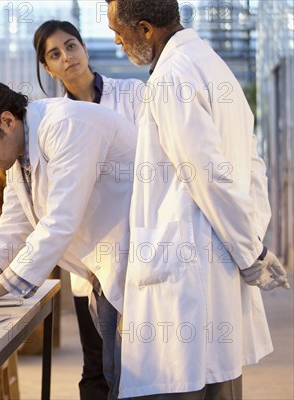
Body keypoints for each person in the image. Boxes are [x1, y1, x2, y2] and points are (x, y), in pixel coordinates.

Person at [104, 0, 290, 398]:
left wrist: (249, 253)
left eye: (119, 32)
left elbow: (206, 174)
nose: (117, 41)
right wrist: (251, 242)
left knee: (187, 383)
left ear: (146, 29)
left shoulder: (172, 76)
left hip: (188, 277)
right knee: (219, 384)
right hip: (214, 264)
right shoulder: (212, 65)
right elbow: (252, 167)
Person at [0, 77, 137, 397]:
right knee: (113, 375)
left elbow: (59, 221)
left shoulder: (66, 125)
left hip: (136, 263)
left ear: (7, 121)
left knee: (126, 381)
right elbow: (12, 226)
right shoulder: (19, 152)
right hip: (106, 267)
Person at [33, 19, 143, 400]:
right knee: (95, 366)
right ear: (47, 68)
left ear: (84, 48)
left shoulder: (132, 95)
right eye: (55, 54)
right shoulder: (51, 121)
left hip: (137, 249)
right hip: (88, 262)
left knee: (141, 366)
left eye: (71, 46)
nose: (67, 57)